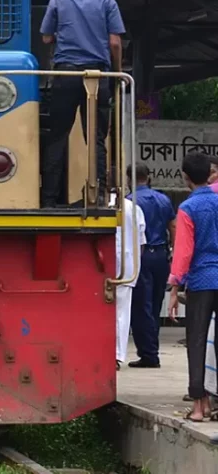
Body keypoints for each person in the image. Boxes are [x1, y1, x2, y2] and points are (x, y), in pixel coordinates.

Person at [38, 0, 125, 208]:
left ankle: (48, 199)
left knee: (58, 135)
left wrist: (64, 36)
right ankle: (98, 195)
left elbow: (46, 38)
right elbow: (115, 43)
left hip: (66, 75)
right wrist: (117, 73)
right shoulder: (107, 2)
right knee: (96, 137)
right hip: (97, 76)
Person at [169, 152, 218, 422]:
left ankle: (199, 406)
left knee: (197, 342)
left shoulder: (188, 208)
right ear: (210, 174)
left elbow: (184, 252)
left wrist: (175, 286)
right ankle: (215, 404)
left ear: (185, 177)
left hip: (200, 281)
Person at [126, 164, 175, 368]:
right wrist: (173, 249)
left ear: (129, 178)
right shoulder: (163, 199)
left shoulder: (129, 202)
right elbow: (172, 225)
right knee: (155, 303)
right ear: (148, 177)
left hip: (142, 255)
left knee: (141, 305)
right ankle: (152, 347)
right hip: (161, 254)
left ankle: (149, 353)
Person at [115, 194, 146, 370]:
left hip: (101, 263)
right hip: (127, 266)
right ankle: (117, 355)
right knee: (122, 313)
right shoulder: (133, 208)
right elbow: (141, 242)